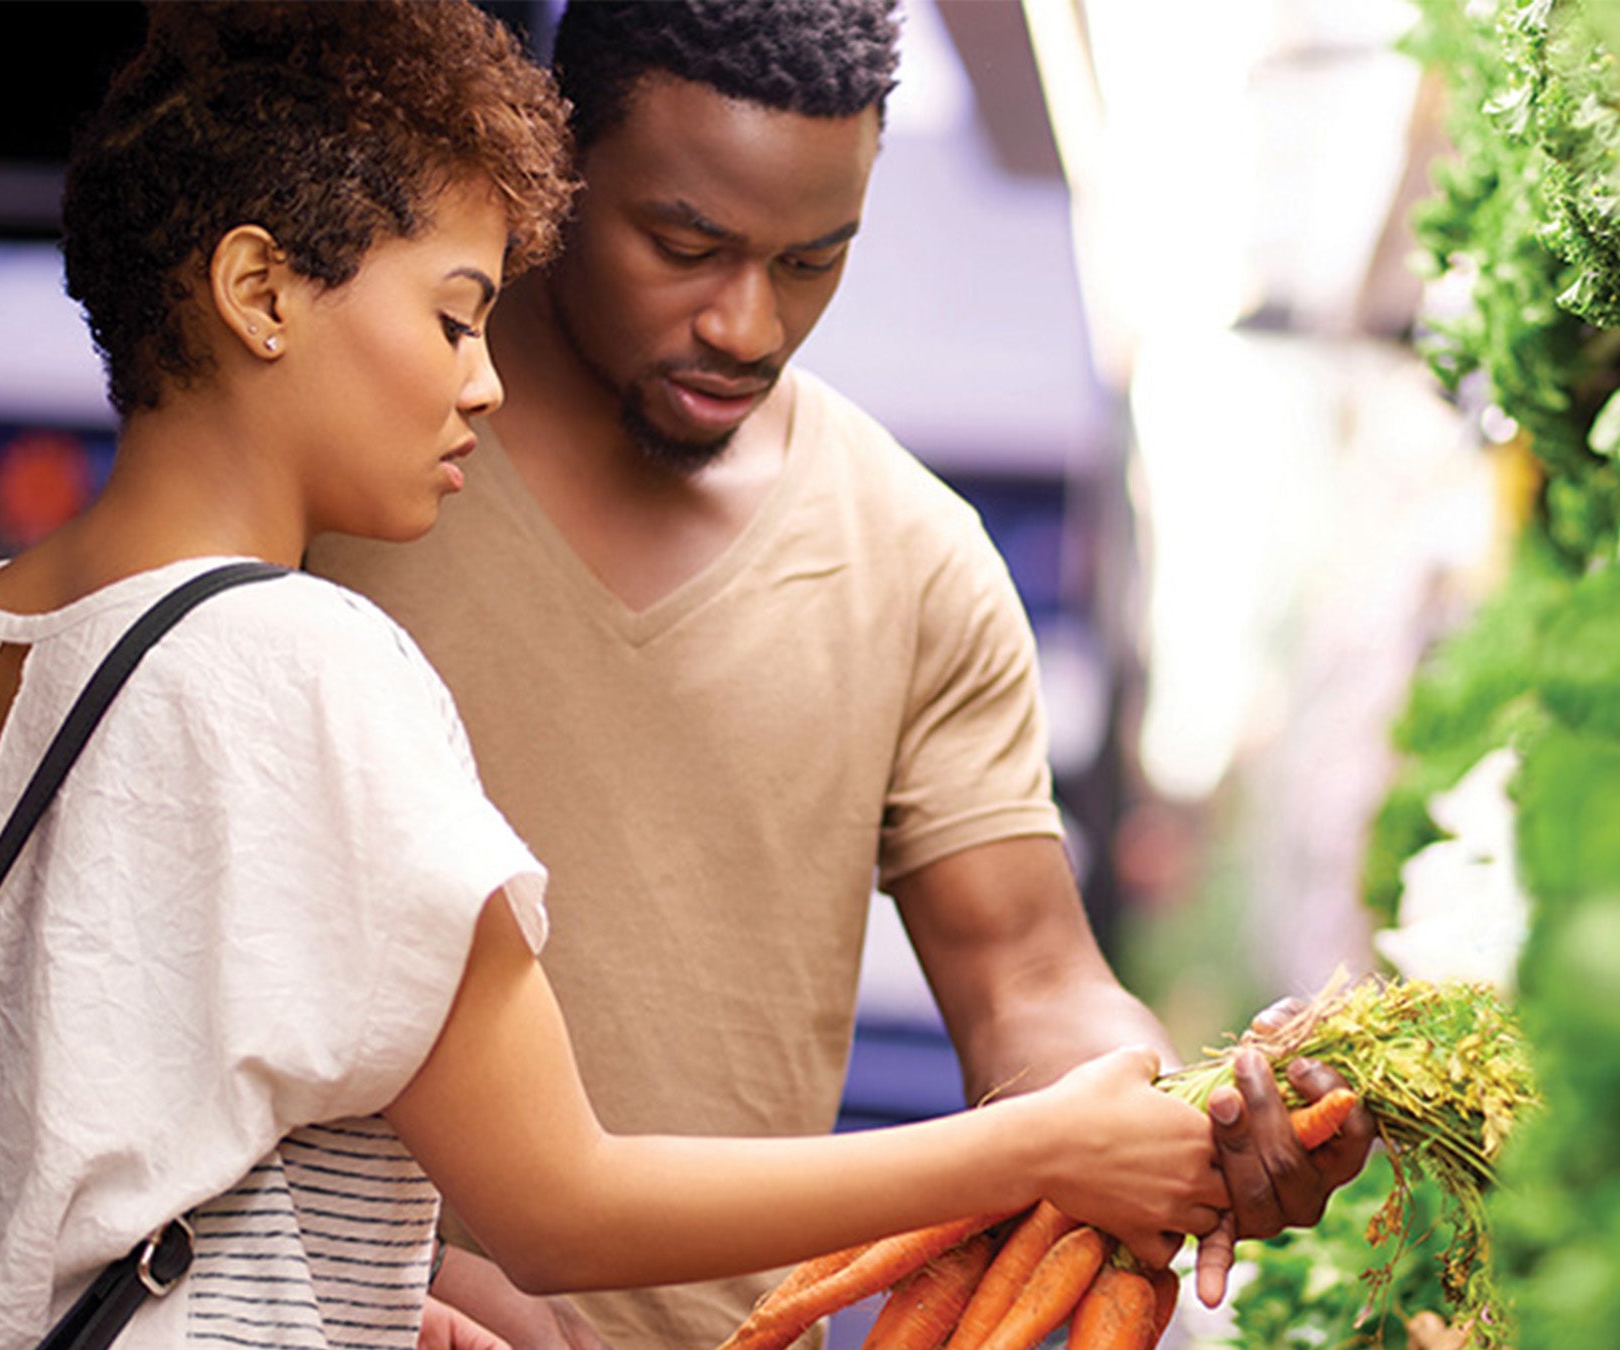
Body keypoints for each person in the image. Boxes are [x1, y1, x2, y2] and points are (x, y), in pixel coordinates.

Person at [0, 5, 1228, 1349]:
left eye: (814, 260)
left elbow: (47, 1112)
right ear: (261, 291)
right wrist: (1031, 1146)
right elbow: (559, 1206)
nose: (481, 379)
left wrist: (375, 1269)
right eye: (456, 318)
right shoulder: (315, 658)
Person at [307, 3, 1377, 1345]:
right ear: (555, 172)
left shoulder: (916, 554)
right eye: (683, 246)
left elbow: (1029, 975)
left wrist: (1180, 1107)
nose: (749, 324)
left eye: (815, 260)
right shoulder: (342, 484)